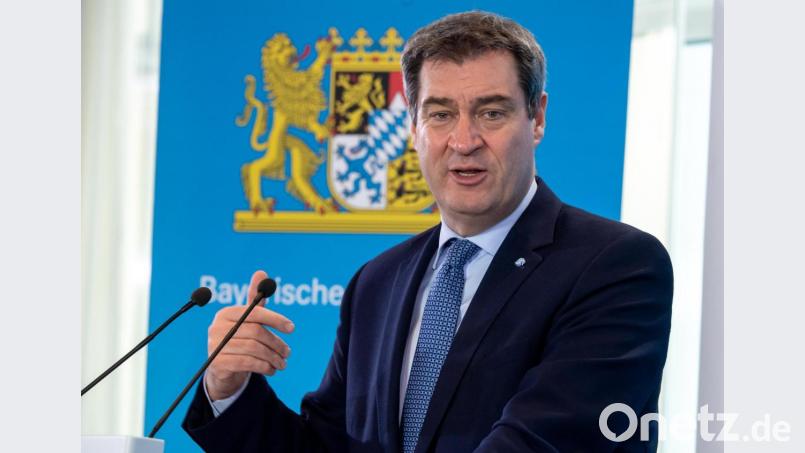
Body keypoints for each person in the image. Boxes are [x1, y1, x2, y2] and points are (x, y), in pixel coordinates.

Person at [183, 11, 673, 452]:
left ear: (537, 117)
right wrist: (229, 389)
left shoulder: (616, 265)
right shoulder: (376, 282)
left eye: (491, 112)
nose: (464, 141)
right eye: (440, 114)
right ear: (414, 127)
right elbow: (327, 448)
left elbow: (545, 441)